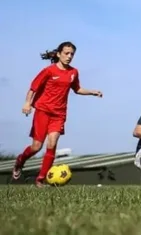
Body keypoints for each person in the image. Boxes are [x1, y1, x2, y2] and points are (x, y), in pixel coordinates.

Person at [12, 42, 103, 186]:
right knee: (36, 146)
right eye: (66, 53)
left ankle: (40, 180)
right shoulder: (49, 71)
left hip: (59, 114)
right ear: (59, 54)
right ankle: (19, 161)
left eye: (72, 54)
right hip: (43, 110)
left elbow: (77, 89)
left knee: (52, 142)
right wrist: (27, 103)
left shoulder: (73, 73)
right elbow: (33, 88)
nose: (69, 56)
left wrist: (92, 91)